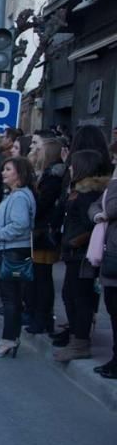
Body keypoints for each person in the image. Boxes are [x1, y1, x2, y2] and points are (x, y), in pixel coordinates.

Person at [51, 150, 108, 361]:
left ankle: (80, 341)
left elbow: (90, 224)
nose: (70, 168)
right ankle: (76, 337)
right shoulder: (78, 192)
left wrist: (75, 241)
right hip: (73, 252)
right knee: (70, 295)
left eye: (74, 164)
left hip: (81, 254)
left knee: (79, 297)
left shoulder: (88, 194)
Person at [0, 157, 37, 358]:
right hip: (12, 249)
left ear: (20, 174)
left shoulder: (19, 197)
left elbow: (21, 224)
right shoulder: (16, 195)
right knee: (12, 299)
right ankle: (10, 338)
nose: (3, 173)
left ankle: (8, 340)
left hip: (14, 251)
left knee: (11, 299)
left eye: (8, 169)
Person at [25, 137, 66, 332]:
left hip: (44, 231)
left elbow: (42, 205)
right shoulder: (45, 175)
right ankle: (35, 314)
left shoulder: (53, 177)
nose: (35, 151)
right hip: (39, 229)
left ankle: (42, 317)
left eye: (39, 148)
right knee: (36, 276)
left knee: (42, 278)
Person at [88, 159, 117, 379]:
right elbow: (97, 206)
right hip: (109, 253)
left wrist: (115, 182)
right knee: (112, 308)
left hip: (114, 256)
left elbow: (112, 207)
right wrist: (98, 215)